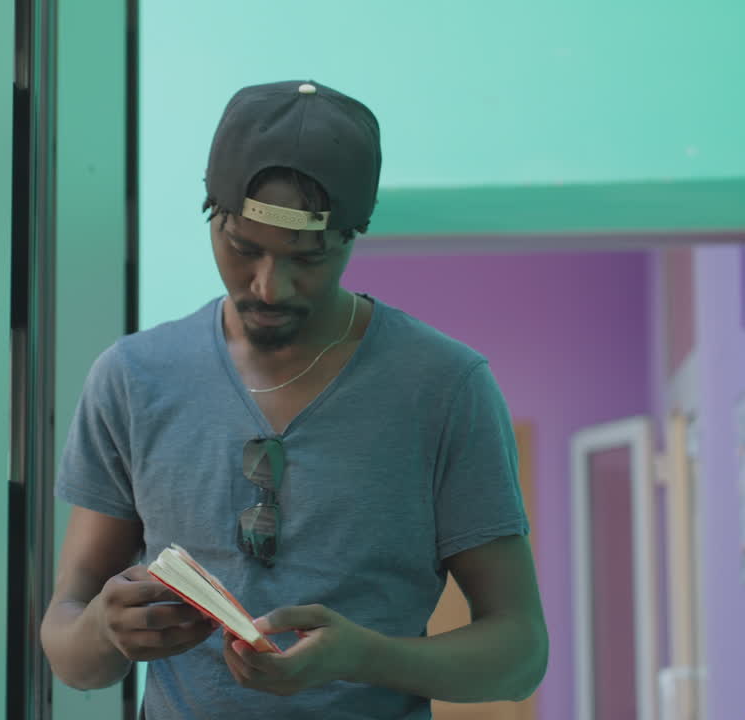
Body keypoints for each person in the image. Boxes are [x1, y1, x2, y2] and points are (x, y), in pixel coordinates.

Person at [41, 79, 548, 719]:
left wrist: (364, 656)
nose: (268, 286)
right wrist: (103, 630)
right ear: (210, 214)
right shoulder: (132, 379)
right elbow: (71, 653)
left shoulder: (444, 388)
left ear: (352, 237)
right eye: (241, 248)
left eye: (306, 257)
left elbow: (521, 653)